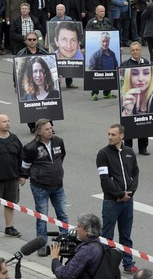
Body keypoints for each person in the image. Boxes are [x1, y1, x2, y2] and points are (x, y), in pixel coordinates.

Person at [96, 123, 140, 274]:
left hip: (128, 201)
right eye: (108, 134)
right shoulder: (103, 154)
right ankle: (105, 266)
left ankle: (128, 263)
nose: (110, 137)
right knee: (107, 236)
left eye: (113, 135)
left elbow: (135, 173)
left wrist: (130, 193)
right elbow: (105, 179)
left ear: (121, 136)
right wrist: (120, 194)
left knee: (126, 235)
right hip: (112, 202)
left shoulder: (129, 152)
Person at [22, 118, 69, 256]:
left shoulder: (58, 141)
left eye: (50, 128)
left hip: (58, 185)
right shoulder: (31, 147)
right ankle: (41, 246)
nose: (50, 131)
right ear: (39, 132)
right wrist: (24, 177)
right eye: (47, 129)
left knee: (63, 214)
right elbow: (25, 166)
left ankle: (66, 242)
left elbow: (62, 157)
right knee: (42, 217)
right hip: (40, 187)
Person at [120, 42, 153, 155]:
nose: (135, 52)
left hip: (144, 98)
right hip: (129, 97)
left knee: (143, 122)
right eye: (133, 50)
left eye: (137, 49)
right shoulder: (125, 64)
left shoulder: (147, 62)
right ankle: (128, 148)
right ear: (130, 52)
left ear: (141, 50)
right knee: (128, 124)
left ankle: (143, 147)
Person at [50, 213, 104, 278]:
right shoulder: (96, 243)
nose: (76, 229)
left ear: (87, 231)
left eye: (79, 226)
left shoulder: (87, 250)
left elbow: (66, 275)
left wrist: (55, 258)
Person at [0, 114, 25, 238]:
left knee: (10, 204)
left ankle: (9, 227)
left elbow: (21, 158)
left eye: (8, 121)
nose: (7, 123)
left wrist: (22, 175)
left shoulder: (14, 139)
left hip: (12, 178)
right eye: (4, 121)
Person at [88, 32, 119, 101]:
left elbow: (116, 65)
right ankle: (94, 93)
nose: (105, 43)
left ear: (109, 41)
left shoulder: (112, 54)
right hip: (99, 77)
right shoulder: (95, 55)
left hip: (109, 76)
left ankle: (107, 93)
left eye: (107, 41)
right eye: (103, 41)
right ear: (100, 42)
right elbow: (91, 70)